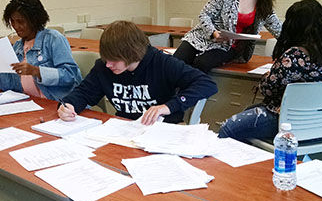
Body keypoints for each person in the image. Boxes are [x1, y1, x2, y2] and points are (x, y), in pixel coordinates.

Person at [218, 0, 322, 141]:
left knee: (228, 128)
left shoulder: (295, 56)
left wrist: (267, 76)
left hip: (288, 119)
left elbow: (268, 89)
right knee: (248, 116)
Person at [58, 21, 218, 125]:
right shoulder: (104, 67)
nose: (108, 64)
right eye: (106, 59)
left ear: (131, 54)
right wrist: (68, 105)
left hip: (163, 130)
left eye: (114, 60)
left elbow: (206, 84)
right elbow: (83, 93)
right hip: (125, 128)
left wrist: (168, 107)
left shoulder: (162, 63)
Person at [174, 0, 282, 72]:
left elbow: (278, 29)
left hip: (226, 46)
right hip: (201, 37)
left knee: (201, 63)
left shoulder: (264, 3)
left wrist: (297, 46)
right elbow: (205, 15)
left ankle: (188, 89)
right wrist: (213, 33)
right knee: (175, 63)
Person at [0, 0, 82, 100]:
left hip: (58, 103)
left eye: (20, 21)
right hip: (30, 103)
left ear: (34, 20)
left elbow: (70, 76)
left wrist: (37, 71)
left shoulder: (53, 39)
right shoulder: (18, 47)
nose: (16, 26)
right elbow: (7, 87)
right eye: (12, 22)